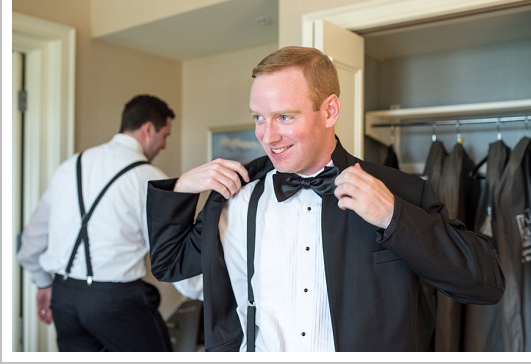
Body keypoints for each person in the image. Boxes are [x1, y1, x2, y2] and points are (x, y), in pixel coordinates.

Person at [146, 46, 505, 352]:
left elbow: (485, 284)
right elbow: (169, 264)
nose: (267, 136)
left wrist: (394, 218)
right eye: (259, 117)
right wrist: (180, 190)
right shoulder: (237, 196)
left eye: (284, 116)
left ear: (330, 110)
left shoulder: (399, 191)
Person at [17, 94, 176, 351]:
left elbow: (31, 241)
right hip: (116, 301)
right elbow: (167, 253)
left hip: (64, 297)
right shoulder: (150, 177)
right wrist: (207, 294)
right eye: (165, 135)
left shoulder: (70, 166)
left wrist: (44, 283)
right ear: (148, 129)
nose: (164, 145)